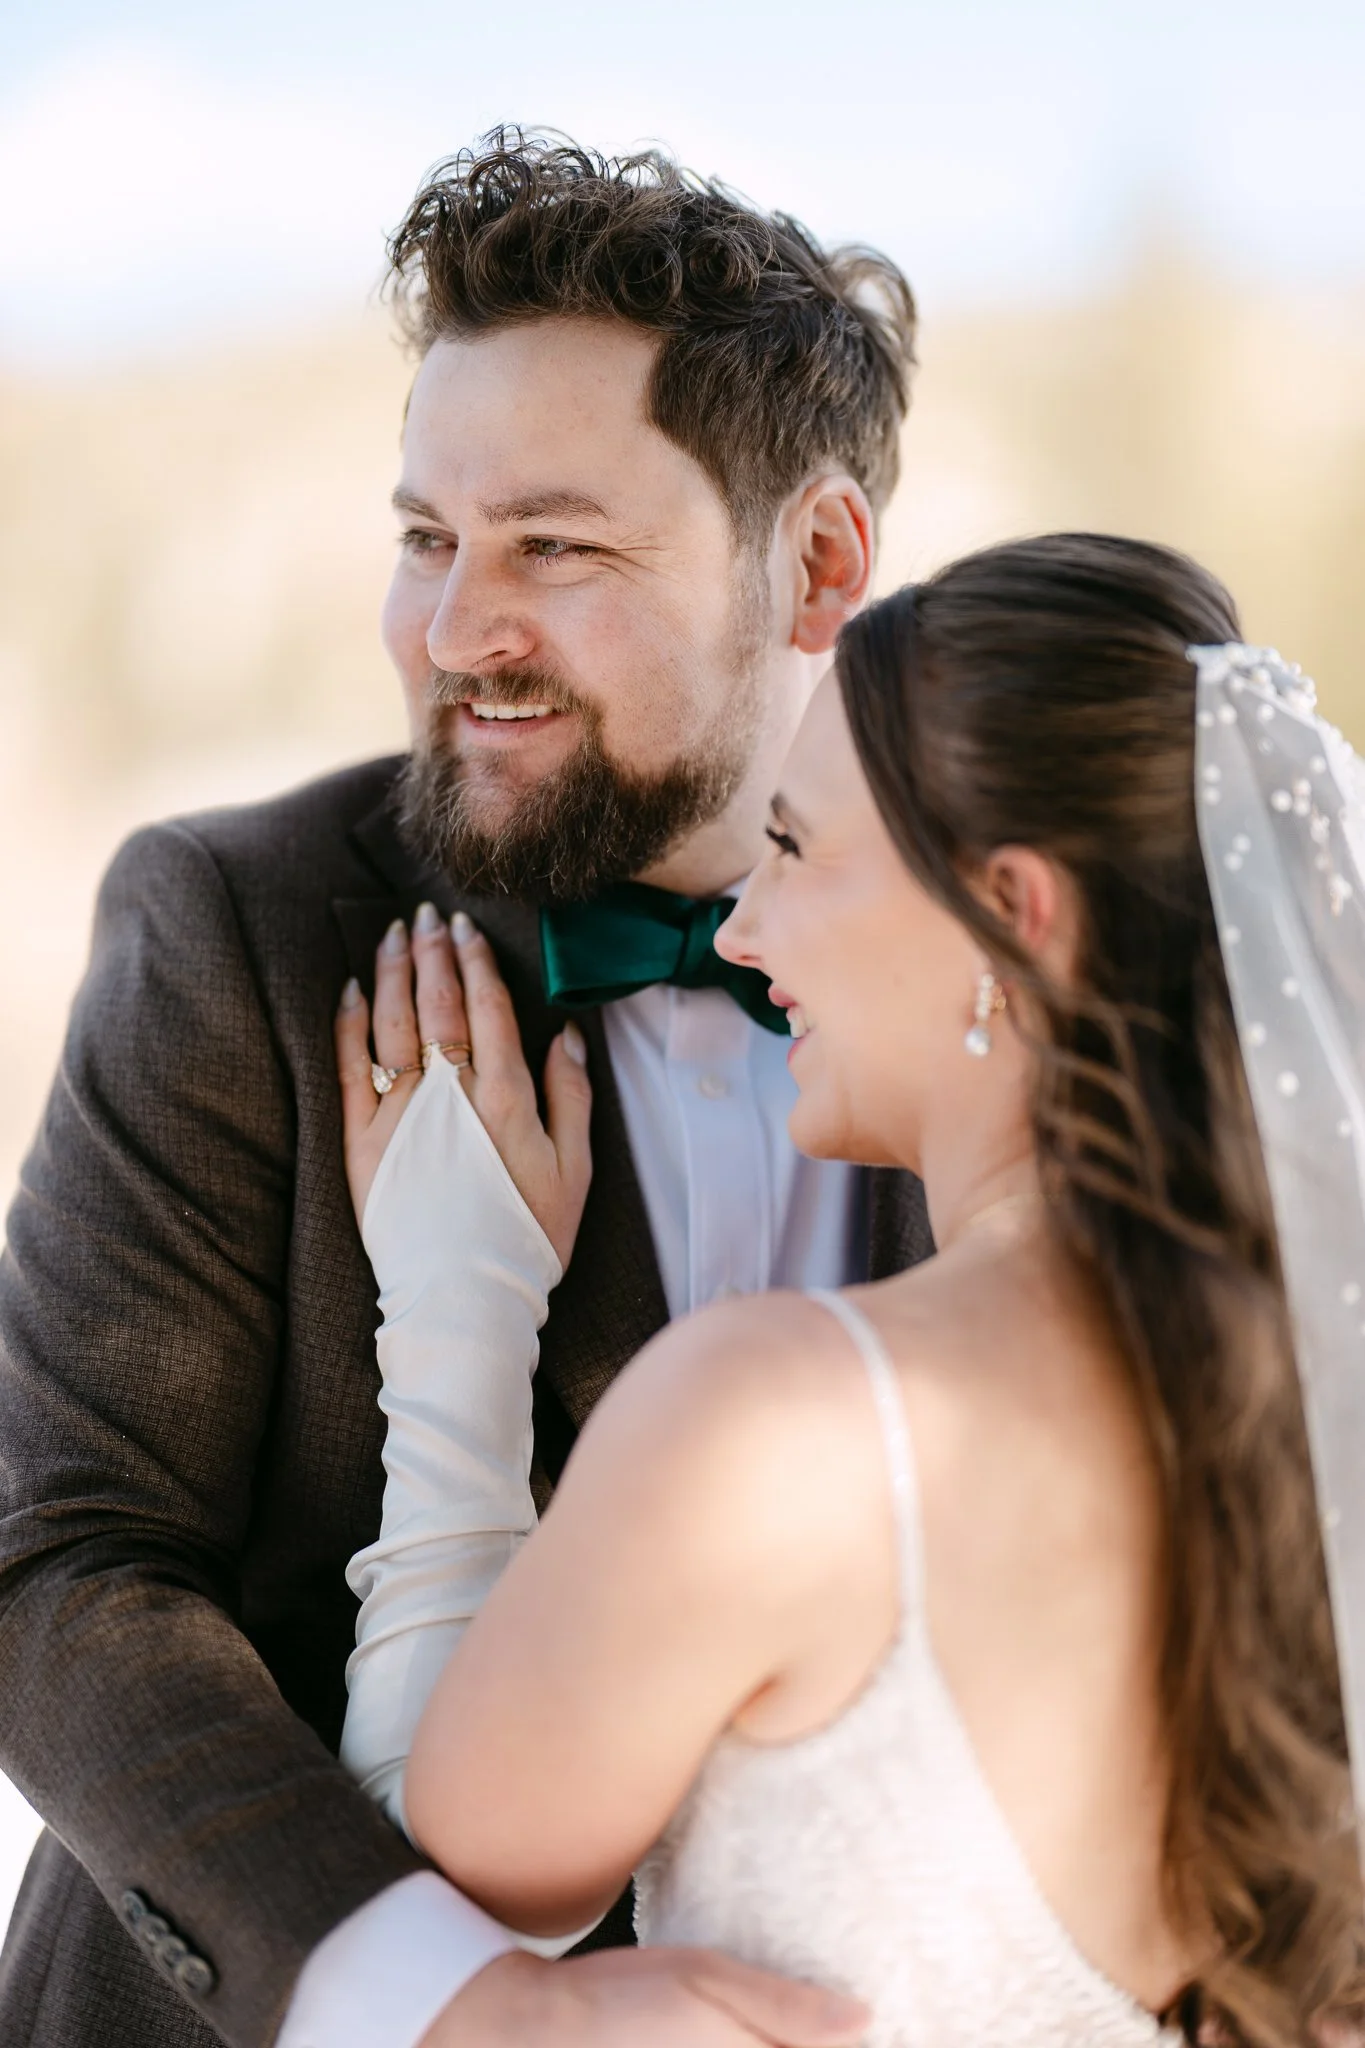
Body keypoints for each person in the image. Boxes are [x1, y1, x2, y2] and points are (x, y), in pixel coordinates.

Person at [0, 132, 918, 2048]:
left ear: (818, 561)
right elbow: (60, 1564)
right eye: (427, 539)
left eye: (553, 549)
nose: (451, 632)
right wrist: (439, 2001)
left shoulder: (1010, 966)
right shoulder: (237, 931)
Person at [334, 535, 1365, 2046]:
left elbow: (437, 1887)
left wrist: (458, 1304)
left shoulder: (778, 1428)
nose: (746, 931)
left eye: (801, 850)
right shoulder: (1314, 1440)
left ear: (1013, 914)